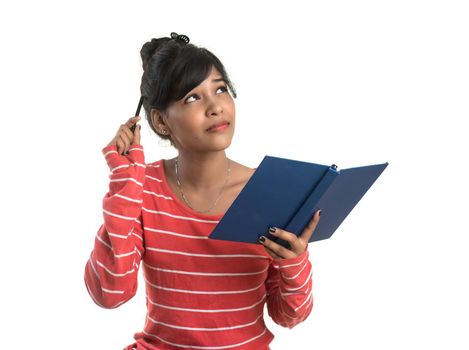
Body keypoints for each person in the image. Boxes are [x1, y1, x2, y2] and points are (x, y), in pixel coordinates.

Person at [84, 32, 321, 350]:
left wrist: (294, 261)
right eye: (192, 98)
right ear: (160, 120)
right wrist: (125, 182)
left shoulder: (268, 190)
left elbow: (290, 316)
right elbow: (109, 294)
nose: (215, 107)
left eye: (220, 89)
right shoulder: (141, 187)